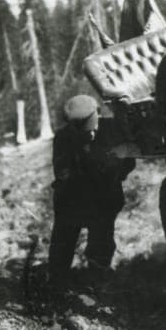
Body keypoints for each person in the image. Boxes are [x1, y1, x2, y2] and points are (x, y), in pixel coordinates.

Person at [48, 94, 136, 293]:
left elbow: (129, 162)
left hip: (104, 198)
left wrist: (115, 169)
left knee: (102, 242)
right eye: (86, 131)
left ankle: (97, 279)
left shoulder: (112, 129)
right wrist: (97, 165)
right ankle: (56, 284)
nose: (92, 133)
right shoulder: (63, 138)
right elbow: (64, 173)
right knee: (63, 243)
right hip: (72, 201)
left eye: (93, 128)